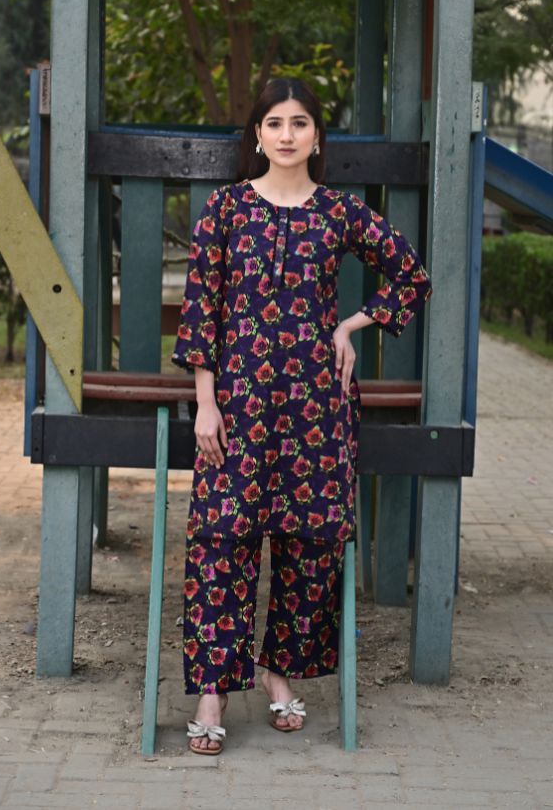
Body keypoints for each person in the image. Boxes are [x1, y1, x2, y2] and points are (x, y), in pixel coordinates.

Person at [171, 76, 432, 755]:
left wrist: (352, 323)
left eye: (301, 123)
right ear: (257, 134)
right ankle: (213, 689)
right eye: (275, 122)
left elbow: (411, 274)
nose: (287, 134)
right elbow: (201, 312)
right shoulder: (225, 211)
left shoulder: (339, 214)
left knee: (312, 544)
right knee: (222, 542)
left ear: (317, 136)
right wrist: (204, 402)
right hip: (236, 408)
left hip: (316, 408)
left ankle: (277, 670)